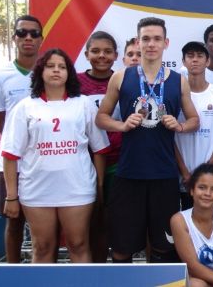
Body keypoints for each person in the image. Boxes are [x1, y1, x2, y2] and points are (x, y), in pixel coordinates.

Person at [96, 17, 200, 263]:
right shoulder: (121, 77)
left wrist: (181, 125)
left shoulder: (178, 80)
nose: (151, 44)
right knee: (121, 248)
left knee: (163, 247)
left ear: (166, 43)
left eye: (156, 39)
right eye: (145, 39)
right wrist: (121, 125)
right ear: (138, 42)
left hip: (163, 175)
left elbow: (195, 120)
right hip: (129, 174)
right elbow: (101, 118)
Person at [1, 48, 110, 263]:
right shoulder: (25, 107)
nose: (56, 71)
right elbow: (10, 154)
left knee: (78, 244)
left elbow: (100, 149)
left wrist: (99, 186)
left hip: (77, 188)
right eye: (50, 66)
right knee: (42, 247)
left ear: (69, 73)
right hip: (37, 189)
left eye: (62, 67)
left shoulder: (83, 104)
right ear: (41, 72)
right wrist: (11, 196)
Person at [0, 15, 43, 263]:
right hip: (14, 164)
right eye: (22, 33)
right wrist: (18, 146)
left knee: (44, 226)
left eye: (34, 33)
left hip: (45, 161)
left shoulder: (51, 72)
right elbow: (1, 122)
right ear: (14, 38)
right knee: (14, 222)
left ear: (41, 39)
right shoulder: (0, 76)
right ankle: (13, 270)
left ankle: (44, 272)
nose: (28, 38)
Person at [77, 31, 123, 262]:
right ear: (86, 54)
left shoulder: (125, 79)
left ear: (116, 55)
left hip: (119, 163)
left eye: (107, 51)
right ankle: (95, 270)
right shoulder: (74, 83)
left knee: (113, 222)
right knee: (90, 224)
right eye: (95, 51)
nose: (101, 56)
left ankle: (114, 271)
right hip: (85, 164)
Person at [175, 41, 213, 209]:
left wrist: (206, 170)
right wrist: (185, 172)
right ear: (183, 61)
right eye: (190, 56)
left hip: (211, 177)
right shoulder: (175, 95)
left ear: (207, 62)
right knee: (185, 229)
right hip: (183, 178)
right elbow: (171, 139)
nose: (195, 60)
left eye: (200, 56)